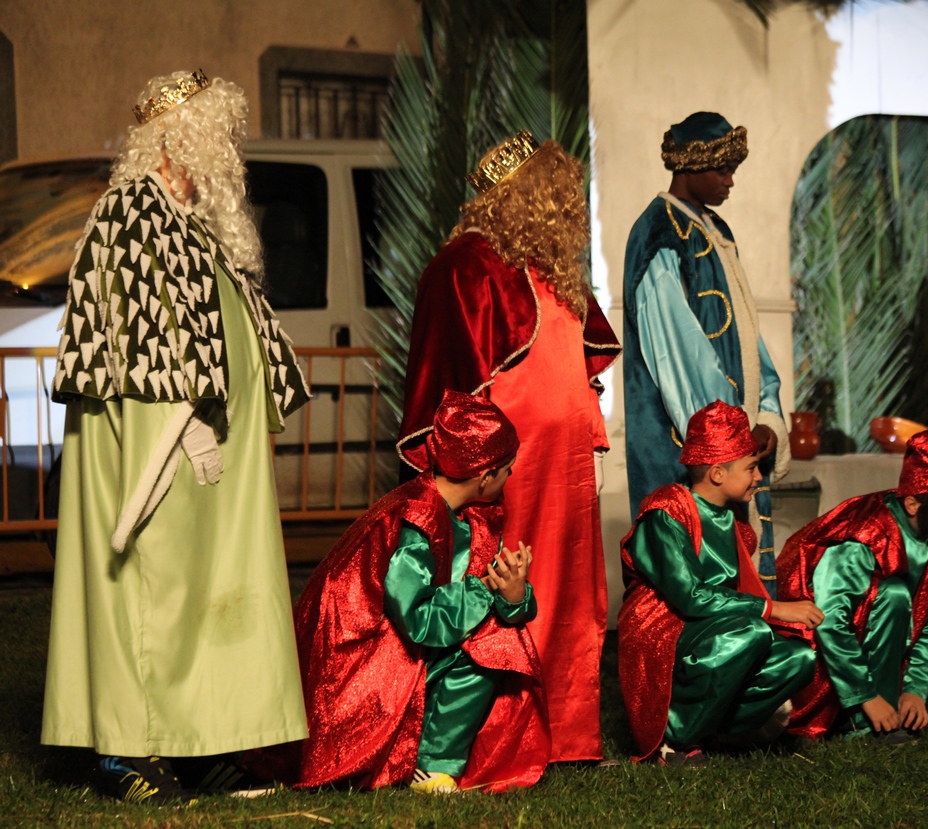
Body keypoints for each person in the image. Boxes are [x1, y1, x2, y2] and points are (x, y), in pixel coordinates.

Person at [43, 70, 311, 804]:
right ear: (176, 136)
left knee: (201, 592)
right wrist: (182, 423)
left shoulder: (194, 225)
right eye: (217, 130)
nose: (229, 147)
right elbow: (131, 338)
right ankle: (129, 750)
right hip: (152, 443)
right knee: (147, 591)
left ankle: (196, 740)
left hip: (206, 448)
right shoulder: (130, 213)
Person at [396, 131, 620, 763]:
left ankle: (568, 735)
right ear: (531, 196)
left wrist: (589, 436)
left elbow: (576, 364)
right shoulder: (464, 265)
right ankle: (501, 734)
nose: (569, 205)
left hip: (565, 465)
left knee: (570, 592)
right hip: (509, 467)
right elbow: (447, 384)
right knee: (506, 582)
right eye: (557, 191)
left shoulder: (548, 271)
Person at [293, 391, 548, 793]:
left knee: (501, 634)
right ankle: (429, 765)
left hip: (405, 656)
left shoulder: (469, 515)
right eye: (508, 471)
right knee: (493, 641)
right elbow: (419, 620)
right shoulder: (415, 520)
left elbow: (487, 597)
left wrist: (512, 594)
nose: (509, 480)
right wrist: (484, 592)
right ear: (485, 475)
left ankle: (432, 759)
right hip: (357, 673)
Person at [622, 111, 790, 596]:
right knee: (696, 589)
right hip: (693, 448)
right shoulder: (659, 233)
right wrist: (730, 439)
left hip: (738, 440)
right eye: (723, 170)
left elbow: (749, 337)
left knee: (745, 587)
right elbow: (679, 356)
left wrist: (766, 415)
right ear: (691, 166)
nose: (731, 181)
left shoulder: (715, 229)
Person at [618, 401, 820, 765]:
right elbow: (691, 597)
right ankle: (674, 738)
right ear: (717, 473)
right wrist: (773, 609)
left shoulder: (734, 519)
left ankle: (718, 731)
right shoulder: (666, 513)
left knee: (799, 658)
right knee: (753, 633)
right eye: (751, 467)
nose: (758, 477)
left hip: (721, 628)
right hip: (667, 628)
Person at [776, 431, 928, 743]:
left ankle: (887, 712)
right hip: (818, 653)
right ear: (913, 504)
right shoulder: (866, 537)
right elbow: (830, 620)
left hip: (875, 654)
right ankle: (859, 722)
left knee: (896, 597)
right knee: (893, 594)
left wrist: (915, 690)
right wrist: (866, 697)